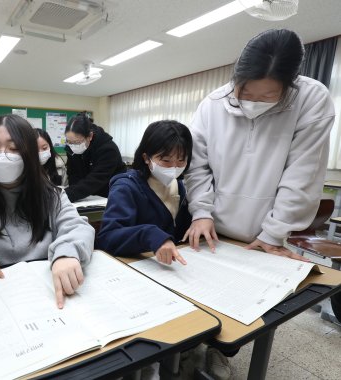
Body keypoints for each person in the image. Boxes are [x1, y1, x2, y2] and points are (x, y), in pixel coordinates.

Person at [184, 29, 336, 380]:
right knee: (197, 289)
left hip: (262, 230)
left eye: (268, 95)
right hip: (208, 225)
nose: (253, 101)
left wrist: (273, 232)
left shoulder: (312, 99)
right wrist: (202, 211)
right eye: (246, 92)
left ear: (290, 84)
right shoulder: (213, 103)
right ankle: (190, 344)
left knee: (244, 304)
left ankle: (224, 351)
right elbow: (197, 164)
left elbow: (303, 173)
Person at [0, 114, 95, 308]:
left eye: (13, 148)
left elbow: (78, 227)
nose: (2, 155)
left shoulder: (51, 196)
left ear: (29, 154)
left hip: (47, 298)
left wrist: (66, 254)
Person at [97, 120, 192, 265]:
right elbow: (107, 238)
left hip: (174, 264)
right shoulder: (126, 187)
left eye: (181, 161)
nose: (174, 168)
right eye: (166, 160)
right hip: (136, 265)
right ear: (146, 158)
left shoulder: (181, 186)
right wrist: (151, 235)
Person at [64, 112, 126, 202]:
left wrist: (68, 195)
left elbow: (97, 179)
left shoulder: (108, 149)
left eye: (77, 142)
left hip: (111, 195)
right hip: (88, 196)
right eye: (69, 141)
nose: (72, 146)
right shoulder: (71, 148)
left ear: (90, 136)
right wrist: (72, 193)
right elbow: (73, 173)